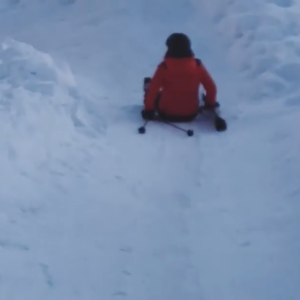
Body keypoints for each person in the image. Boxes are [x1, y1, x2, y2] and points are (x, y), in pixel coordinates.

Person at [142, 33, 217, 123]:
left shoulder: (164, 67)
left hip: (166, 113)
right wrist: (209, 103)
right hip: (191, 114)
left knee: (153, 92)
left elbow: (153, 90)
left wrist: (148, 110)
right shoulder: (198, 67)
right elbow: (211, 88)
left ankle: (147, 92)